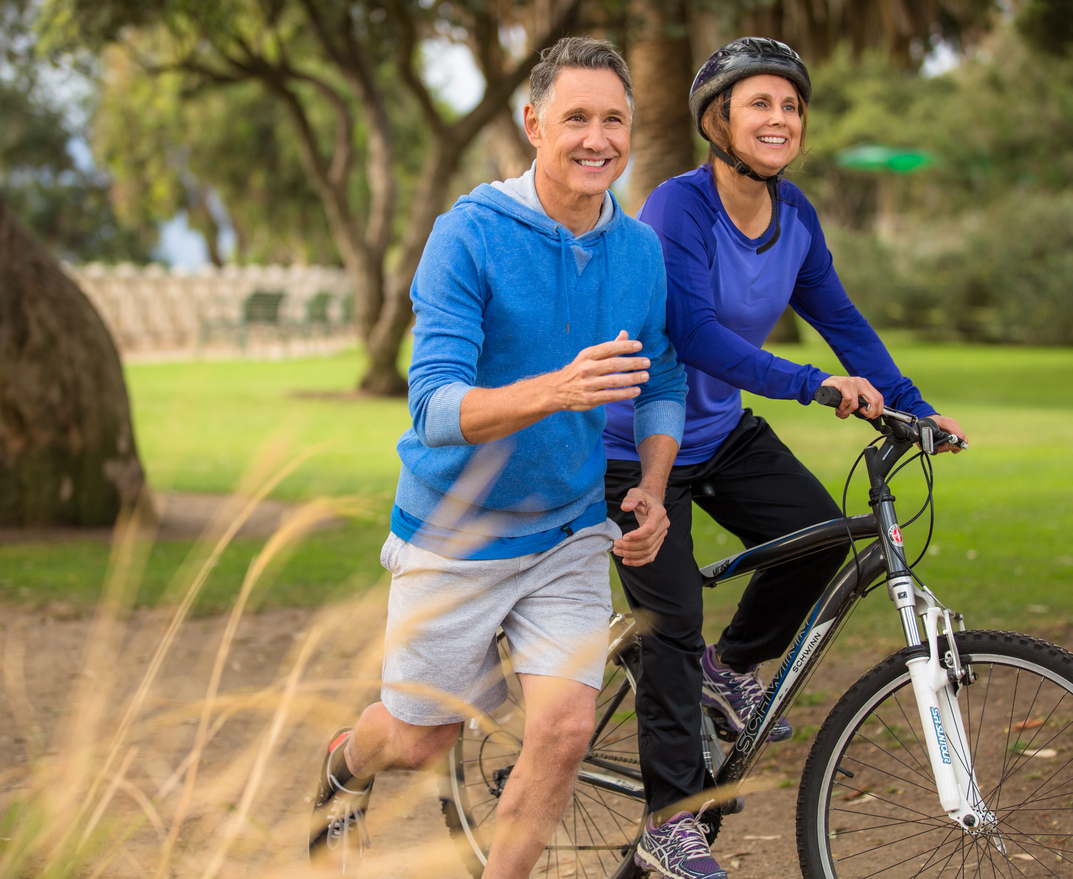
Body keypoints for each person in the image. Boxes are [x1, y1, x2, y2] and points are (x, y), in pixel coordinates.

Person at [308, 36, 688, 879]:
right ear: (533, 124)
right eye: (576, 118)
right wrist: (557, 389)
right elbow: (434, 407)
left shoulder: (639, 251)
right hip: (456, 532)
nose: (598, 140)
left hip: (567, 532)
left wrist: (654, 486)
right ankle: (346, 758)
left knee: (563, 730)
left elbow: (664, 376)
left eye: (614, 120)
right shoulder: (467, 236)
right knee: (419, 738)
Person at [602, 37, 968, 879]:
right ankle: (669, 819)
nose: (779, 118)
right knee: (671, 621)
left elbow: (840, 318)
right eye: (759, 103)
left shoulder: (795, 216)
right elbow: (692, 335)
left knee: (819, 533)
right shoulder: (675, 209)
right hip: (630, 446)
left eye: (791, 105)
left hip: (720, 431)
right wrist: (812, 387)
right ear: (716, 120)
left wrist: (913, 406)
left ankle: (727, 670)